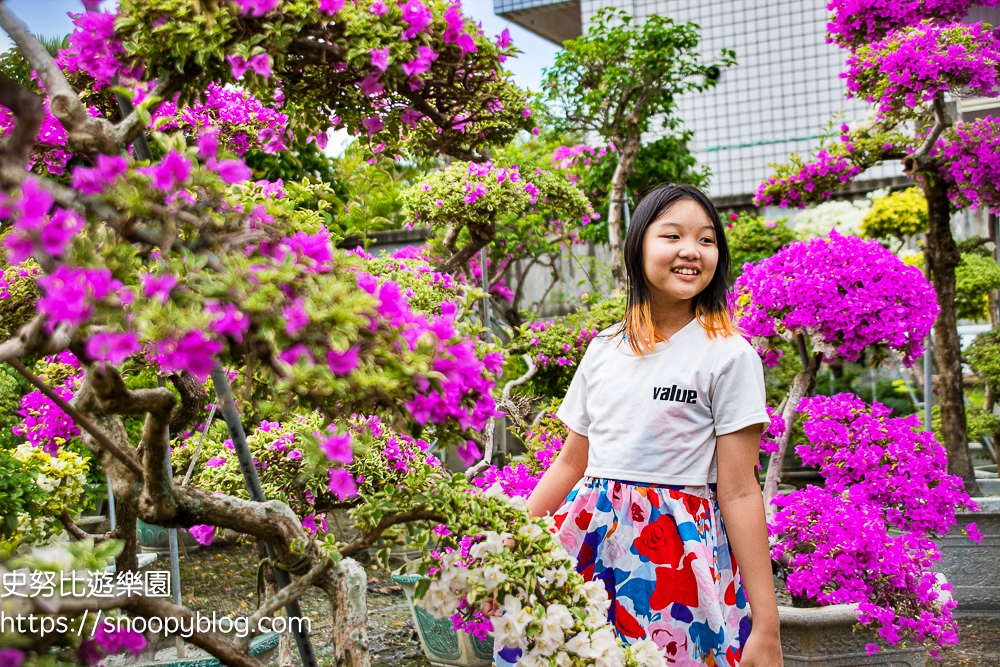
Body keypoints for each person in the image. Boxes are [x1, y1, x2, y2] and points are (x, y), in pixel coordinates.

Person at [484, 184, 784, 667]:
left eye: (707, 241)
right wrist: (508, 550)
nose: (691, 251)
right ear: (638, 246)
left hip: (677, 565)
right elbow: (570, 463)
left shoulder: (730, 355)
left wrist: (767, 629)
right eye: (673, 236)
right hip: (587, 545)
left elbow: (740, 492)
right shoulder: (604, 347)